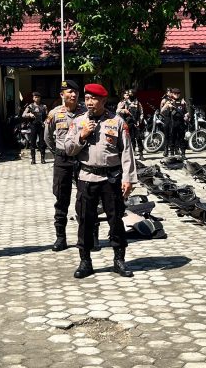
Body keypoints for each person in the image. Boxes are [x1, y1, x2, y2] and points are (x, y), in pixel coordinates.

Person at [65, 83, 139, 278]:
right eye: (87, 98)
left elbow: (127, 153)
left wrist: (129, 179)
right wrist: (82, 135)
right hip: (86, 177)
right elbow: (68, 149)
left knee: (116, 220)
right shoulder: (79, 122)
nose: (89, 102)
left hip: (111, 178)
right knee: (85, 221)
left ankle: (119, 260)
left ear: (104, 101)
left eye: (94, 99)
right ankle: (85, 261)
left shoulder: (117, 122)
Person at [44, 79, 87, 252]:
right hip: (62, 159)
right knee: (61, 198)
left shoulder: (85, 112)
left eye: (76, 92)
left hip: (82, 158)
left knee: (85, 198)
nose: (73, 94)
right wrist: (58, 152)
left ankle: (87, 237)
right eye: (69, 92)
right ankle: (60, 238)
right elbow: (47, 137)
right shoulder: (55, 113)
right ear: (62, 95)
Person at [116, 89, 144, 160]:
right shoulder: (124, 103)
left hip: (136, 123)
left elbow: (141, 113)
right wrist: (124, 111)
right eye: (128, 93)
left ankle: (141, 153)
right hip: (128, 123)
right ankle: (132, 154)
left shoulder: (138, 103)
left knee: (139, 138)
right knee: (131, 139)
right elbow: (117, 111)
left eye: (131, 93)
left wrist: (139, 121)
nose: (129, 95)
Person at [22, 91, 48, 164]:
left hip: (41, 126)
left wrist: (46, 121)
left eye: (38, 97)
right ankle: (33, 160)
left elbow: (47, 116)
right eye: (35, 97)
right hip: (33, 126)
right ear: (33, 98)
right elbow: (23, 115)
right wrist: (29, 114)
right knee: (32, 143)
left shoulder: (44, 106)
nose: (37, 98)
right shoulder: (30, 106)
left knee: (42, 143)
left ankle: (43, 159)